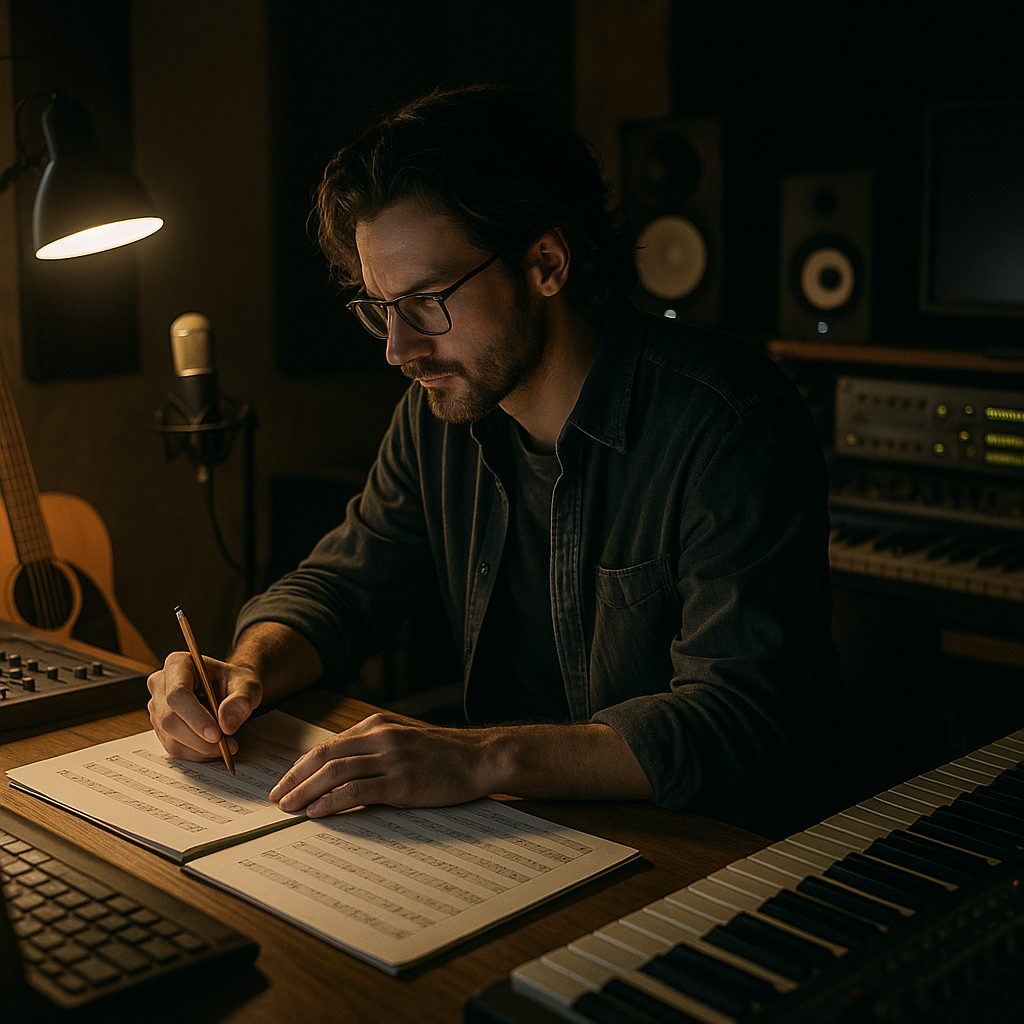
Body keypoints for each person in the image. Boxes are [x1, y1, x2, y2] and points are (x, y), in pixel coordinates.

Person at [147, 85, 839, 837]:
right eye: (382, 308)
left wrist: (478, 759)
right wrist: (246, 669)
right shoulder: (436, 413)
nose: (398, 349)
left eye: (427, 300)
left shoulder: (730, 422)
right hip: (519, 831)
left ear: (545, 263)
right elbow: (343, 588)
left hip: (714, 848)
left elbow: (736, 725)